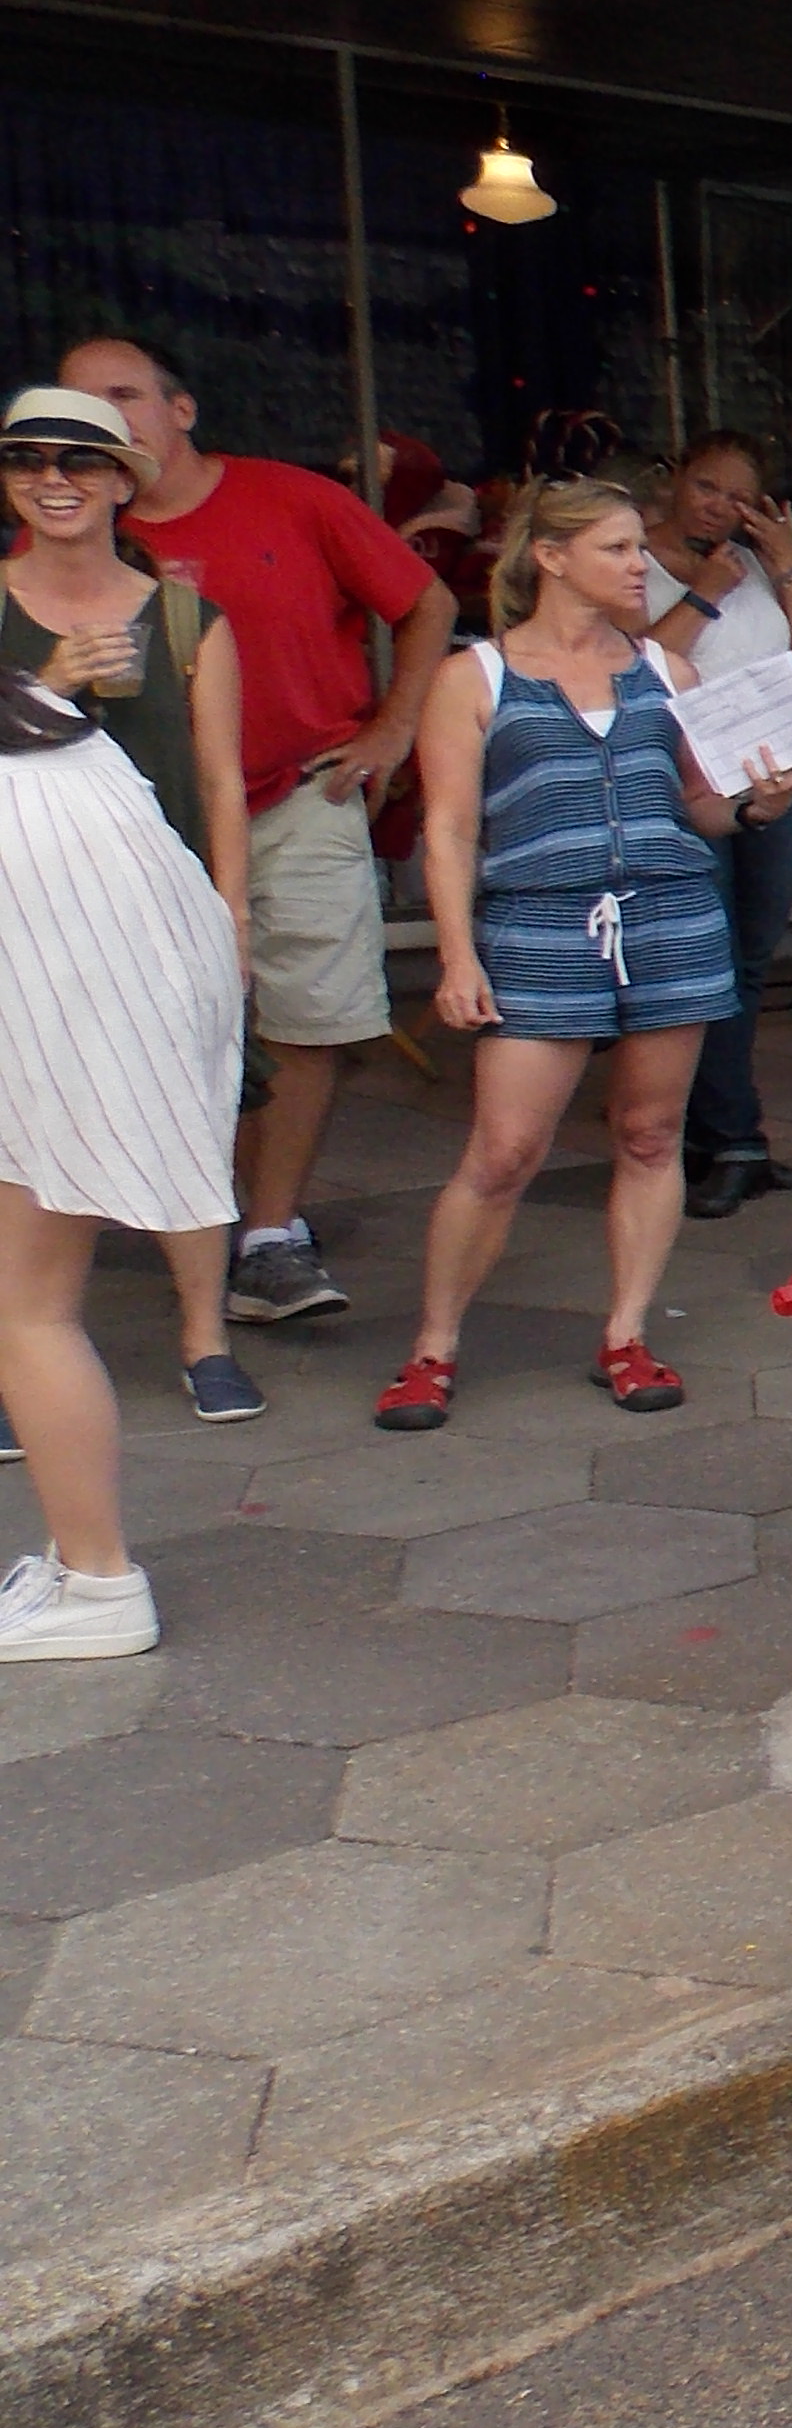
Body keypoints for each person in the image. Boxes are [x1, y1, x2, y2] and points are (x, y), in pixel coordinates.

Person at [373, 478, 792, 1433]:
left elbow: (698, 806)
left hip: (671, 920)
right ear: (550, 557)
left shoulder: (666, 670)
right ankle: (431, 1349)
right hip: (537, 929)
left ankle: (627, 1331)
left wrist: (758, 806)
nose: (640, 566)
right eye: (617, 549)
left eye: (637, 550)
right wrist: (456, 957)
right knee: (505, 1150)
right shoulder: (474, 676)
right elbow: (446, 830)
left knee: (651, 1136)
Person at [57, 333, 454, 1329]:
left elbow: (428, 600)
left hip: (297, 795)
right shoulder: (55, 535)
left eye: (124, 396)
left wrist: (396, 726)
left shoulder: (296, 496)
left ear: (180, 409)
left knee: (309, 1016)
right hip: (132, 825)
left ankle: (270, 1236)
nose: (106, 420)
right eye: (79, 405)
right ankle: (176, 1225)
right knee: (127, 1031)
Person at [0, 382, 258, 1448]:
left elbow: (223, 781)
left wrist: (231, 920)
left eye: (80, 461)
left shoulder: (188, 617)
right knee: (12, 1129)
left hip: (156, 914)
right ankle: (21, 1354)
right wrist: (49, 680)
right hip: (18, 914)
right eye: (28, 461)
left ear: (121, 483)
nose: (52, 480)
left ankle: (205, 1338)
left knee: (187, 1107)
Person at [0, 619, 245, 1657]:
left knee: (30, 1311)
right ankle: (81, 1569)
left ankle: (97, 1583)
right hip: (88, 1028)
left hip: (52, 1040)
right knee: (32, 1310)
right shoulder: (50, 729)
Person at [642, 433, 792, 1220]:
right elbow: (638, 667)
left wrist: (788, 562)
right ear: (677, 483)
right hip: (693, 788)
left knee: (750, 962)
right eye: (707, 488)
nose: (720, 506)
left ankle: (715, 1133)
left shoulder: (759, 565)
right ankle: (735, 1141)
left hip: (780, 784)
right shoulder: (642, 561)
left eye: (738, 495)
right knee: (708, 964)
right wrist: (701, 594)